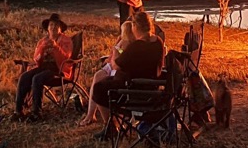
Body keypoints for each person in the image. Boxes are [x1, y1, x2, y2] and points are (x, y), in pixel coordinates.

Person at [90, 11, 165, 139]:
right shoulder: (158, 42)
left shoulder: (137, 46)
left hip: (133, 90)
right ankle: (112, 126)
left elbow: (116, 66)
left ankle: (112, 127)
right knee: (106, 82)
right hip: (151, 87)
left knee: (98, 88)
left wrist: (116, 52)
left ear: (135, 27)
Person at [14, 13, 72, 120]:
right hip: (43, 67)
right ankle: (18, 110)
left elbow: (66, 58)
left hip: (58, 69)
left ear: (60, 28)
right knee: (25, 76)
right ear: (48, 28)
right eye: (51, 25)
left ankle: (36, 112)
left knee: (37, 78)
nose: (53, 27)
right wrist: (42, 51)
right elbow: (36, 59)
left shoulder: (66, 40)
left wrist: (56, 47)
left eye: (56, 25)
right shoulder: (43, 41)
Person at [78, 20, 135, 126]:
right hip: (112, 64)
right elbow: (113, 53)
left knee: (100, 84)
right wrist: (109, 58)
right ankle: (91, 114)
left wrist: (117, 51)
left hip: (119, 69)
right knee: (97, 76)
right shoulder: (121, 39)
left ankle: (110, 122)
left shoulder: (130, 43)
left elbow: (121, 57)